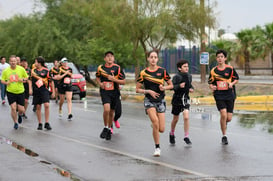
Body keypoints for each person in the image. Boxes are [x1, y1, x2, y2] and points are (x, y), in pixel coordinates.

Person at [136, 50, 173, 157]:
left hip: (160, 101)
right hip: (149, 101)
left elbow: (171, 85)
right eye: (151, 57)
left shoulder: (162, 71)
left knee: (161, 129)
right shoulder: (143, 73)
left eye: (155, 57)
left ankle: (154, 126)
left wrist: (164, 87)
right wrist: (148, 91)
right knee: (155, 121)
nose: (153, 59)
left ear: (157, 59)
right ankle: (157, 148)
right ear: (148, 59)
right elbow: (137, 89)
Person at [208, 49, 239, 145]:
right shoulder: (214, 71)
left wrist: (231, 83)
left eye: (222, 57)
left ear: (225, 58)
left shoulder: (230, 69)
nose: (220, 58)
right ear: (216, 59)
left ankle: (224, 123)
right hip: (219, 95)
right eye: (218, 57)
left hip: (230, 94)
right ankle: (224, 136)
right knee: (223, 114)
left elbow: (236, 79)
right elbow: (210, 82)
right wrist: (212, 87)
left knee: (228, 118)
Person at [96, 51, 126, 141]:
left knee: (112, 112)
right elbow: (97, 76)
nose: (110, 58)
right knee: (106, 109)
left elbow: (123, 81)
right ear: (105, 58)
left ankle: (109, 129)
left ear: (113, 58)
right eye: (108, 56)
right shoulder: (101, 68)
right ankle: (105, 127)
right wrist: (100, 83)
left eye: (111, 56)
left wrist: (114, 79)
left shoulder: (117, 68)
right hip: (105, 91)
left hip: (115, 92)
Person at [169, 60, 194, 145]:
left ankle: (186, 136)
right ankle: (171, 134)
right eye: (184, 66)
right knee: (175, 119)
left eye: (187, 66)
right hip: (177, 99)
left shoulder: (189, 76)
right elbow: (171, 87)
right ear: (179, 68)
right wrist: (179, 86)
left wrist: (191, 88)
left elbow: (190, 85)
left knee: (186, 117)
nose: (187, 68)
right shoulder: (176, 77)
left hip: (185, 99)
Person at [1, 55, 28, 129]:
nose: (13, 62)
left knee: (21, 109)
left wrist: (22, 80)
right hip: (10, 91)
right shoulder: (6, 71)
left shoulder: (21, 69)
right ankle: (15, 122)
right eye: (11, 61)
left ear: (16, 62)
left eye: (14, 61)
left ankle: (20, 114)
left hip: (20, 91)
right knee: (13, 108)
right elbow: (2, 80)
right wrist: (6, 82)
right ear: (9, 62)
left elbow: (26, 77)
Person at [31, 56, 55, 130]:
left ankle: (47, 123)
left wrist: (53, 92)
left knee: (47, 105)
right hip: (36, 90)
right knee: (38, 107)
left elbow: (51, 81)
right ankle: (40, 123)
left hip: (44, 90)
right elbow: (30, 79)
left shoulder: (47, 71)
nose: (35, 63)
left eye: (36, 62)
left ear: (39, 63)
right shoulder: (33, 71)